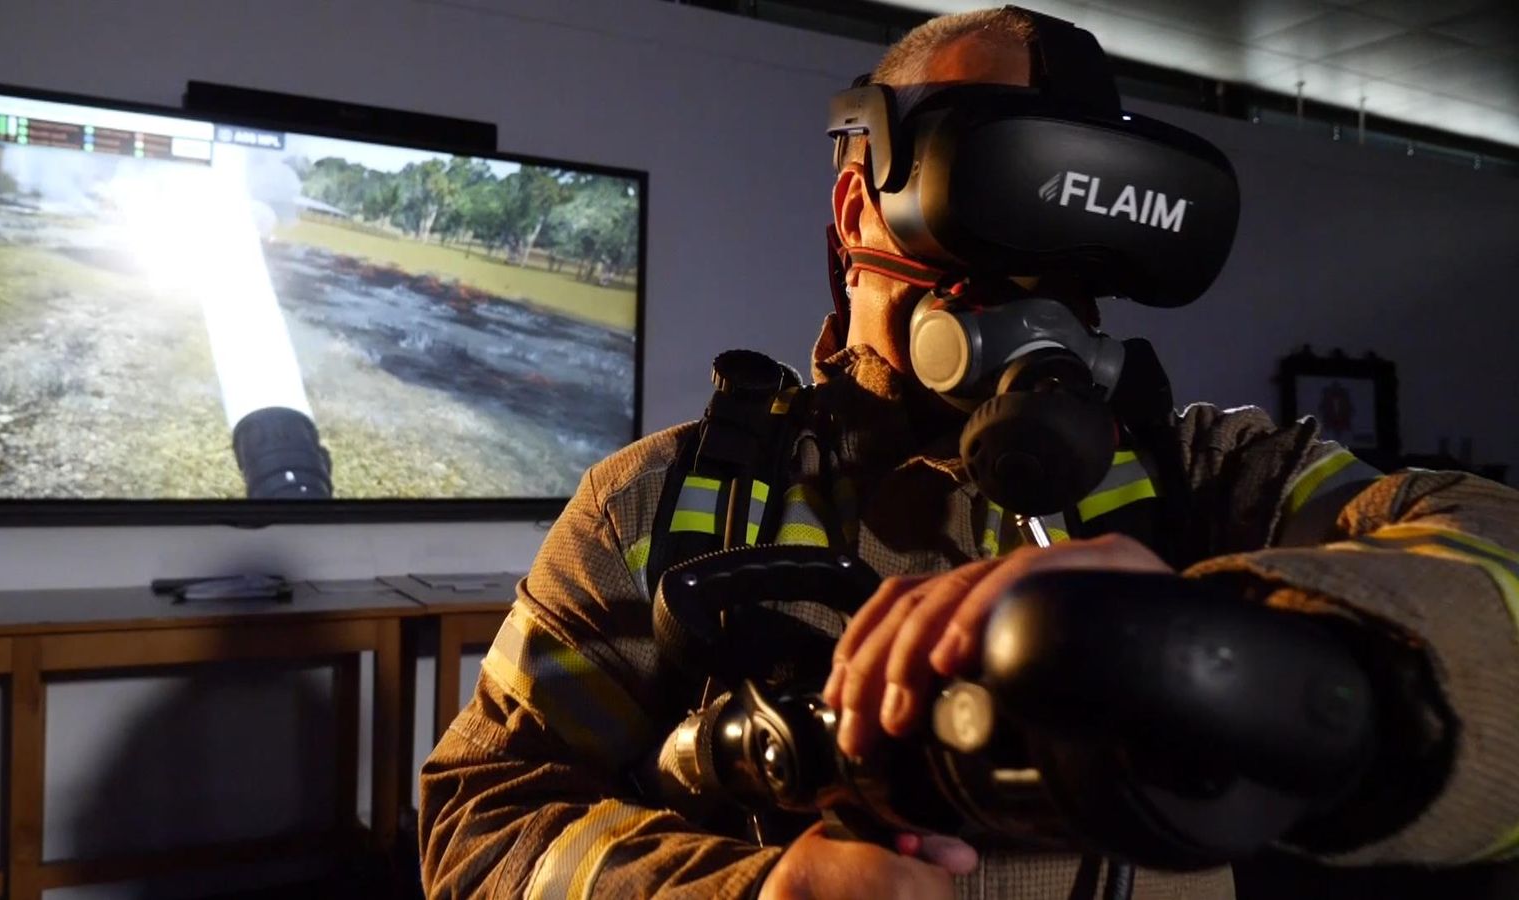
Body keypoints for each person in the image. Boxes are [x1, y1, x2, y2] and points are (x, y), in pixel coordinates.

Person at [420, 7, 1519, 900]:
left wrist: (1276, 639)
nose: (1039, 306)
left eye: (1076, 268)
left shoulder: (1211, 476)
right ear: (858, 203)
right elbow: (479, 825)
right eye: (993, 245)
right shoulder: (666, 503)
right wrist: (750, 894)